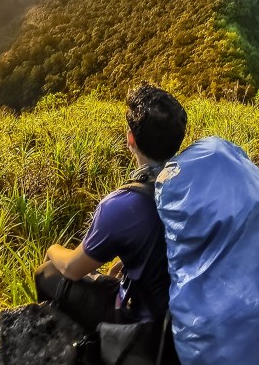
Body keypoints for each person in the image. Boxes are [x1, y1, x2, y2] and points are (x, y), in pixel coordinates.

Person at [34, 83, 185, 361]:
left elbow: (72, 269)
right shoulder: (195, 183)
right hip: (186, 311)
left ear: (130, 139)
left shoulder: (121, 206)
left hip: (144, 319)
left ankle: (90, 351)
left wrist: (53, 248)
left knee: (45, 273)